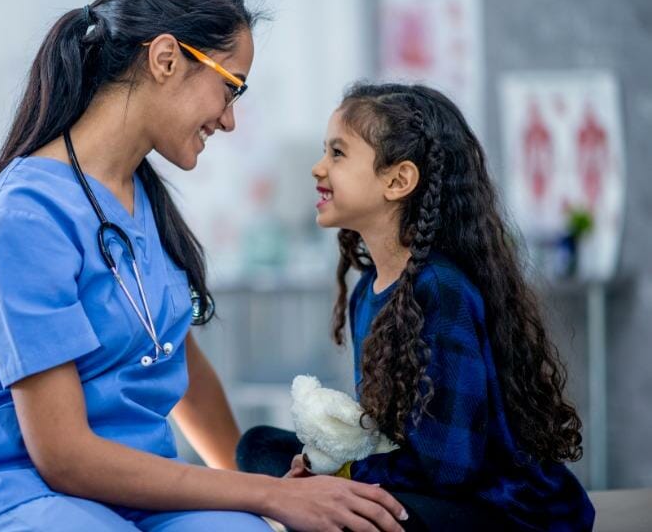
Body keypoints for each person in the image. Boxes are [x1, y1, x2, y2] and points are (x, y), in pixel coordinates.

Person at [0, 0, 409, 532]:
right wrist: (262, 495)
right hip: (13, 484)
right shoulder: (25, 215)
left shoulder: (145, 201)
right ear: (166, 59)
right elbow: (63, 455)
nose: (229, 120)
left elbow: (178, 363)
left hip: (134, 487)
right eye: (229, 89)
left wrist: (274, 499)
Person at [237, 83, 596, 531]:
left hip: (493, 506)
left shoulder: (440, 291)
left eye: (337, 153)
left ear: (398, 180)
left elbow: (451, 469)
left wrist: (339, 477)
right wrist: (317, 469)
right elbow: (383, 436)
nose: (318, 168)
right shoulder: (366, 291)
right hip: (421, 482)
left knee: (352, 511)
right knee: (257, 447)